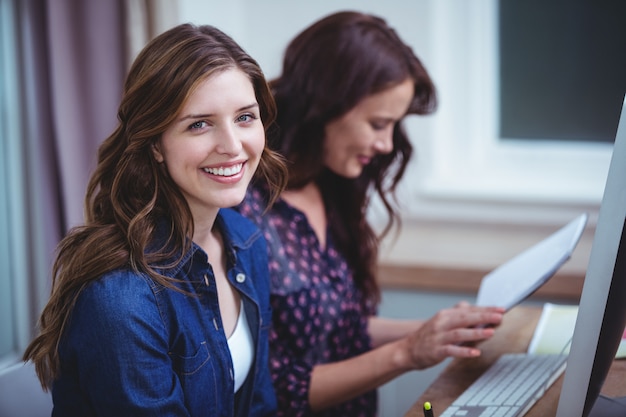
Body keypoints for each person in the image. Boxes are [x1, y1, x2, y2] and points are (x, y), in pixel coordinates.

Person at [236, 11, 505, 417]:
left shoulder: (331, 186)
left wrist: (440, 330)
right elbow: (272, 389)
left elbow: (340, 326)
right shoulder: (245, 209)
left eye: (393, 126)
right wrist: (407, 353)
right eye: (378, 124)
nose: (386, 144)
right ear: (324, 106)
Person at [22, 23, 287, 417]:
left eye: (245, 118)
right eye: (199, 124)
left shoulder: (246, 242)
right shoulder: (122, 297)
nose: (233, 146)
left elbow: (259, 405)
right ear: (155, 144)